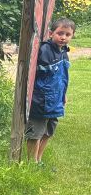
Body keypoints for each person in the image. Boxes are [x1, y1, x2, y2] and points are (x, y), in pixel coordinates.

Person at [26, 18, 74, 165]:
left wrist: (63, 94)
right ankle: (31, 163)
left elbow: (61, 77)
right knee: (36, 133)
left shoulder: (64, 52)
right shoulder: (45, 49)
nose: (63, 37)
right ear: (51, 33)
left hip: (56, 99)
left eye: (67, 34)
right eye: (60, 33)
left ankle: (39, 160)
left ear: (72, 36)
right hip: (41, 99)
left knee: (49, 131)